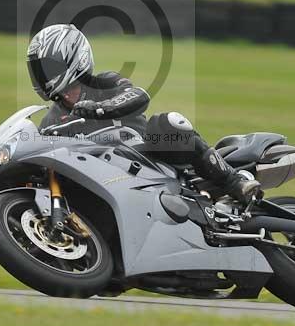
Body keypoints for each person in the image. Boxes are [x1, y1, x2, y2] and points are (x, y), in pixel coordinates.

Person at [26, 23, 262, 206]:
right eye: (38, 70)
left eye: (49, 67)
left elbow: (138, 95)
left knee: (167, 123)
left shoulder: (105, 82)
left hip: (147, 156)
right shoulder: (51, 119)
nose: (43, 76)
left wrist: (100, 108)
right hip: (103, 180)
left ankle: (234, 181)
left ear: (74, 58)